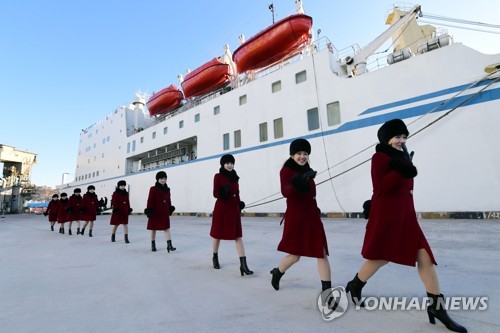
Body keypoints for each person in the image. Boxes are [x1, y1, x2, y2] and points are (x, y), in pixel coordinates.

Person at [345, 119, 467, 333]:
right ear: (387, 139)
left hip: (407, 217)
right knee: (380, 258)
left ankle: (437, 307)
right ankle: (355, 284)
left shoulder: (401, 156)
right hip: (388, 217)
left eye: (404, 137)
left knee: (425, 258)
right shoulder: (379, 157)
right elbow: (381, 186)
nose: (401, 141)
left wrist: (404, 166)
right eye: (397, 137)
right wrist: (403, 169)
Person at [270, 138, 333, 299]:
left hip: (312, 216)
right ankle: (278, 272)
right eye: (299, 153)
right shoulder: (286, 171)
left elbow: (311, 194)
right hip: (296, 217)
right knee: (295, 255)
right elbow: (286, 191)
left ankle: (327, 294)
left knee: (322, 253)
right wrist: (299, 181)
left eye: (305, 154)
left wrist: (316, 208)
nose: (302, 157)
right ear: (292, 155)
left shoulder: (307, 170)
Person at [210, 154, 253, 276]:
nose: (230, 165)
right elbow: (215, 193)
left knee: (237, 235)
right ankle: (215, 257)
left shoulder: (235, 177)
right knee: (217, 235)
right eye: (227, 163)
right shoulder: (217, 176)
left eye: (231, 163)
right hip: (222, 209)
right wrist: (224, 191)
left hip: (233, 209)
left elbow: (237, 193)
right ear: (223, 164)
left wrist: (239, 203)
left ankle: (243, 265)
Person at [144, 171, 176, 252]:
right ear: (158, 179)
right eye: (161, 178)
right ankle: (153, 245)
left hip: (164, 212)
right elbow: (150, 200)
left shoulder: (167, 190)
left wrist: (170, 208)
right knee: (153, 229)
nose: (163, 180)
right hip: (155, 212)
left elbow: (168, 200)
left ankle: (169, 245)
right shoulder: (153, 189)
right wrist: (149, 210)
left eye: (164, 178)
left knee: (166, 228)